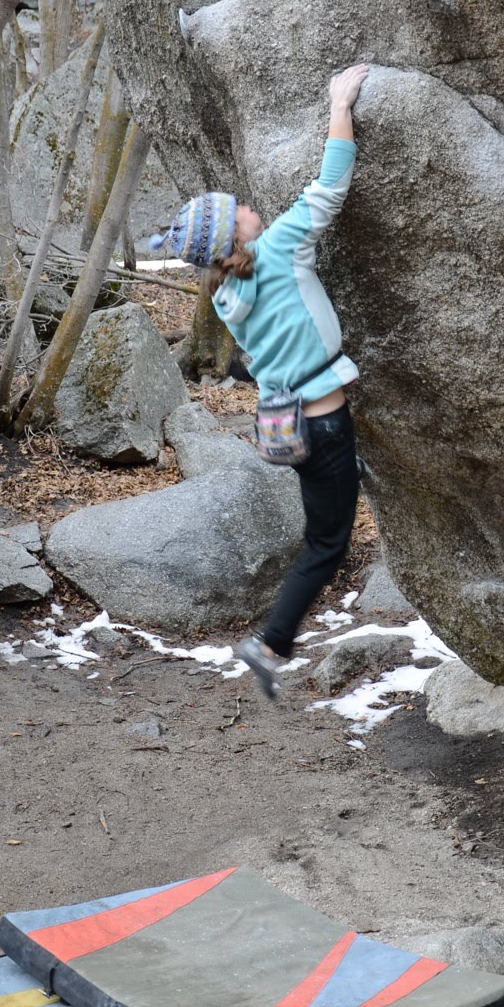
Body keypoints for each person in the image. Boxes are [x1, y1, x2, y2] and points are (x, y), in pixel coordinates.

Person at [151, 63, 369, 697]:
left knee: (325, 531)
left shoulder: (224, 295)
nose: (248, 207)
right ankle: (269, 645)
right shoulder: (276, 250)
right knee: (326, 547)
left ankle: (271, 643)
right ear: (232, 235)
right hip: (324, 425)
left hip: (288, 425)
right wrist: (339, 103)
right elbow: (329, 186)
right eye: (238, 210)